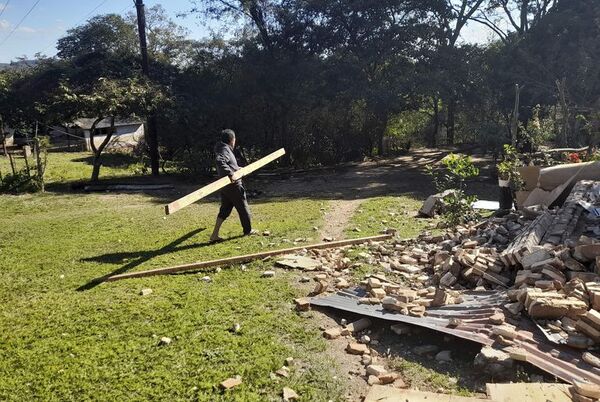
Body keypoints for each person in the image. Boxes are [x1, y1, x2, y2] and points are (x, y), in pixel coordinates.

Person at [210, 129, 256, 242]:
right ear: (232, 140)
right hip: (233, 185)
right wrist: (231, 174)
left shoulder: (223, 148)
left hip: (226, 186)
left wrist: (237, 169)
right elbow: (220, 161)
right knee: (243, 207)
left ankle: (214, 235)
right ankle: (248, 230)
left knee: (225, 210)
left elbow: (227, 164)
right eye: (234, 139)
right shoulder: (225, 149)